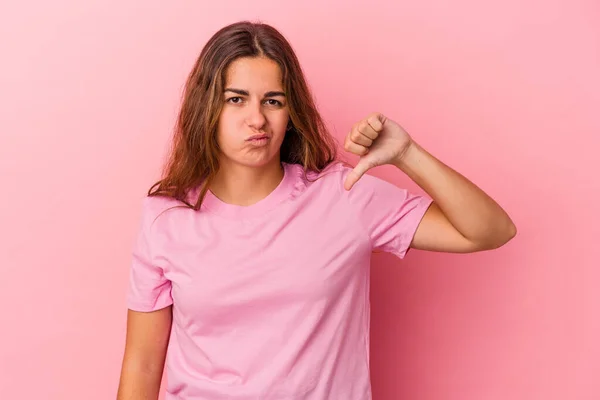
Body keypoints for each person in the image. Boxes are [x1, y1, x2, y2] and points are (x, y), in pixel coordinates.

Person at [116, 21, 516, 400]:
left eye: (273, 101)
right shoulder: (164, 217)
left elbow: (489, 230)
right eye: (236, 99)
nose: (257, 119)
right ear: (207, 109)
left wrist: (407, 154)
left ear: (290, 114)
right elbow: (143, 363)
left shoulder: (345, 195)